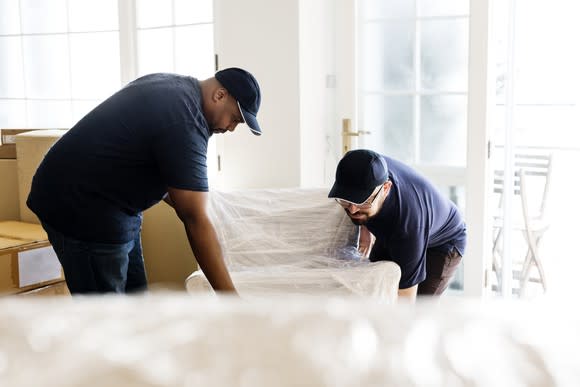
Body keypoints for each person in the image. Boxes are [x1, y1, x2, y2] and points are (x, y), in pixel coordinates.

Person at [27, 67, 263, 294]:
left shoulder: (177, 90)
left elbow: (161, 167)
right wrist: (232, 302)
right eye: (234, 119)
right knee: (107, 318)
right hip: (82, 206)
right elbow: (193, 218)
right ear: (219, 95)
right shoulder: (185, 119)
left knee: (137, 306)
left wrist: (204, 209)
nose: (231, 128)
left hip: (113, 203)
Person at [328, 149, 466, 301]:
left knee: (419, 310)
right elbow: (357, 196)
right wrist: (364, 229)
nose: (352, 209)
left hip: (445, 242)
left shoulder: (407, 228)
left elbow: (406, 300)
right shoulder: (359, 165)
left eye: (362, 201)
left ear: (386, 188)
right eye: (347, 201)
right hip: (401, 222)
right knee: (374, 288)